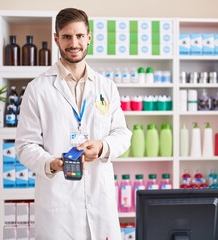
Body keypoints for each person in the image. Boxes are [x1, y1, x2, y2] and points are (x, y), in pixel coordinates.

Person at [15, 8, 131, 240]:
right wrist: (53, 163)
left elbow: (122, 133)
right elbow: (24, 145)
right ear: (57, 39)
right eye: (67, 37)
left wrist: (101, 147)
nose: (74, 43)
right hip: (59, 205)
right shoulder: (38, 89)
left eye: (79, 36)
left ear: (89, 37)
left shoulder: (106, 87)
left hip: (100, 200)